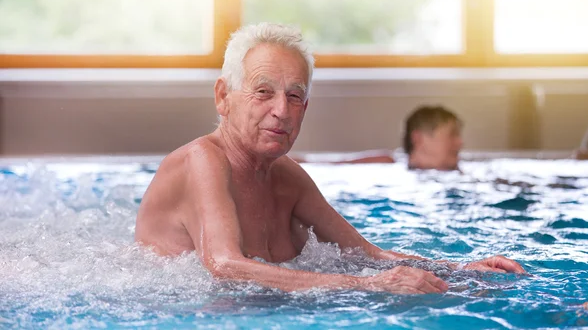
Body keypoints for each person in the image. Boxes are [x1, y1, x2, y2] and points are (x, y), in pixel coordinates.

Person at [135, 23, 525, 294]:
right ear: (223, 97)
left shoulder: (287, 176)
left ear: (305, 108)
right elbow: (225, 267)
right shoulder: (203, 159)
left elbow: (365, 254)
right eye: (263, 92)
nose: (280, 111)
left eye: (293, 97)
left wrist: (460, 270)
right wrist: (368, 287)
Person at [293, 105, 463, 171]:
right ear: (418, 139)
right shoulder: (386, 162)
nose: (460, 142)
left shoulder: (461, 177)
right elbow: (330, 165)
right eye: (452, 135)